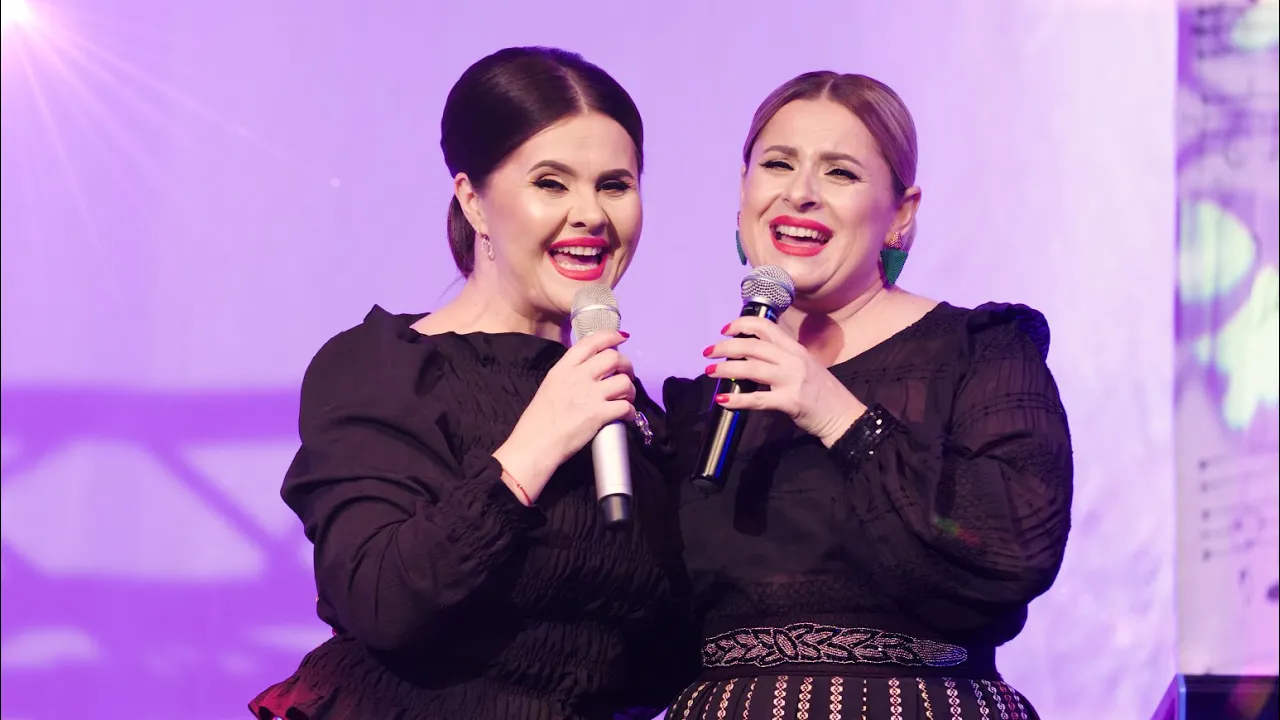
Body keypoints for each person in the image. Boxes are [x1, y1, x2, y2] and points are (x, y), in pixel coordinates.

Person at [249, 46, 696, 720]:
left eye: (614, 185)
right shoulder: (387, 370)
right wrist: (534, 446)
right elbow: (383, 601)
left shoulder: (633, 423)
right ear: (474, 201)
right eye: (551, 184)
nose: (591, 214)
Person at [661, 71, 1073, 719]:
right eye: (778, 164)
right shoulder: (697, 412)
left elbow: (1012, 547)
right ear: (743, 192)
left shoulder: (980, 353)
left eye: (840, 173)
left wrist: (840, 418)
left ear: (900, 214)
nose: (800, 193)